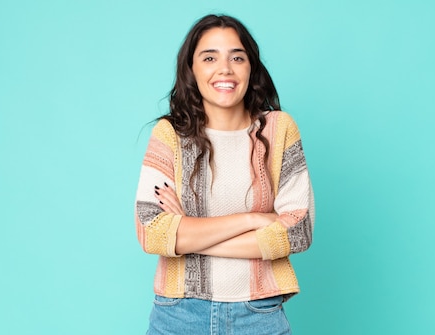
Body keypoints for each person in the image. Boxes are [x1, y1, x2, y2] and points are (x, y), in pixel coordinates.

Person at [134, 14, 315, 335]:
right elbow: (153, 233)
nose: (225, 68)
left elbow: (297, 232)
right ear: (191, 69)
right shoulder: (170, 134)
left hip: (259, 313)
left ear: (251, 67)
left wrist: (190, 235)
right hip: (179, 315)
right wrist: (253, 219)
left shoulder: (278, 130)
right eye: (209, 57)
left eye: (237, 57)